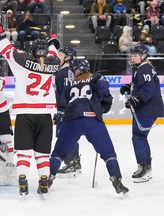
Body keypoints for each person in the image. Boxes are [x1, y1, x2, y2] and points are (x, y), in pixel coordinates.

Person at [0, 17, 60, 197]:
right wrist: (52, 42)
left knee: (24, 152)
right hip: (45, 115)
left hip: (25, 114)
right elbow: (53, 52)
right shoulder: (53, 64)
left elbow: (4, 47)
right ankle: (43, 182)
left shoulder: (22, 61)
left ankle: (22, 181)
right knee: (42, 153)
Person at [49, 59, 129, 195]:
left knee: (58, 154)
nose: (72, 73)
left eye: (73, 70)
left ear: (78, 70)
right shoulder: (95, 78)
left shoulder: (70, 85)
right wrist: (105, 104)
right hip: (92, 121)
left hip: (72, 121)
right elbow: (105, 91)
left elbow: (62, 106)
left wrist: (60, 115)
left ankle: (47, 180)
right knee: (109, 154)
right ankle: (117, 181)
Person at [119, 44, 164, 183]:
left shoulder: (145, 68)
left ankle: (145, 169)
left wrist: (136, 98)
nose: (133, 57)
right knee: (138, 137)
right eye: (132, 55)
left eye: (136, 55)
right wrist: (130, 88)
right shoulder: (142, 68)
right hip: (145, 108)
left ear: (143, 56)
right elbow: (143, 86)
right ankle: (144, 167)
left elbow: (148, 89)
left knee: (139, 137)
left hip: (148, 108)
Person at [53, 46, 81, 177]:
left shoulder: (65, 73)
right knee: (70, 136)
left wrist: (62, 110)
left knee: (65, 136)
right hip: (71, 110)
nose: (57, 56)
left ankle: (71, 164)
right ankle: (74, 163)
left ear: (67, 58)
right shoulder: (67, 71)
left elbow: (66, 93)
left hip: (67, 110)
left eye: (60, 54)